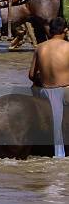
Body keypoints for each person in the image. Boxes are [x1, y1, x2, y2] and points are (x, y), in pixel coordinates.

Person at [28, 17, 69, 158]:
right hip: (65, 92)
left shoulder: (40, 47)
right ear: (65, 31)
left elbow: (32, 75)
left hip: (44, 92)